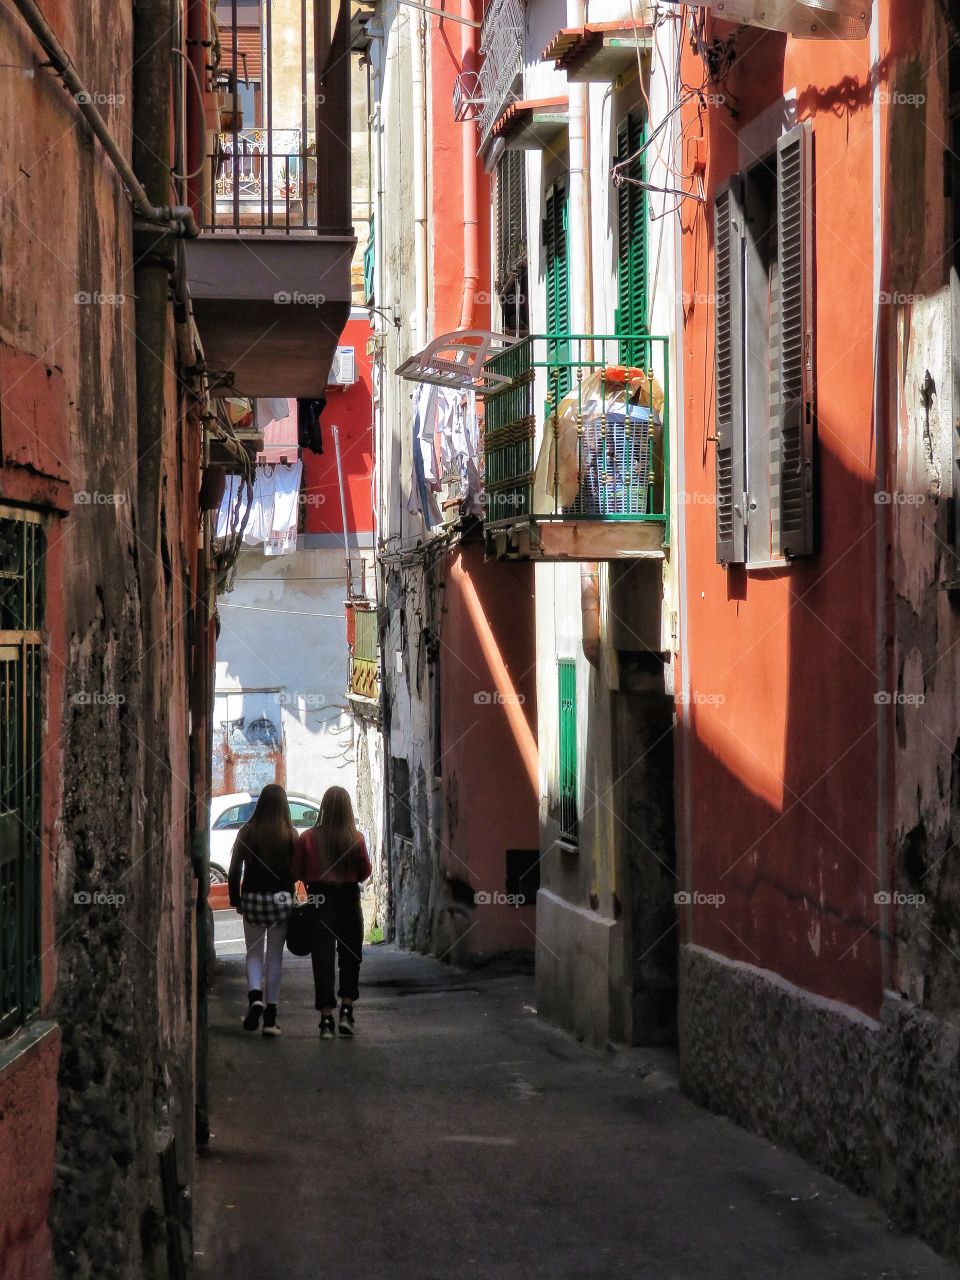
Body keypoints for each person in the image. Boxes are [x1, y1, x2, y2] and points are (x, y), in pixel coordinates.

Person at [292, 786, 372, 1039]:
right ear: (348, 809)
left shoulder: (307, 838)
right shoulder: (355, 838)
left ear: (323, 807)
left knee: (322, 960)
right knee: (351, 956)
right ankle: (347, 1010)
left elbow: (296, 871)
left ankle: (326, 1018)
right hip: (348, 899)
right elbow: (365, 872)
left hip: (319, 900)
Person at [227, 784, 297, 1037]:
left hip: (253, 899)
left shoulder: (247, 831)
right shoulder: (290, 833)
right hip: (280, 900)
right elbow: (296, 871)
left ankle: (255, 997)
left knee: (254, 954)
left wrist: (236, 899)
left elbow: (234, 869)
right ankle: (270, 1017)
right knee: (275, 957)